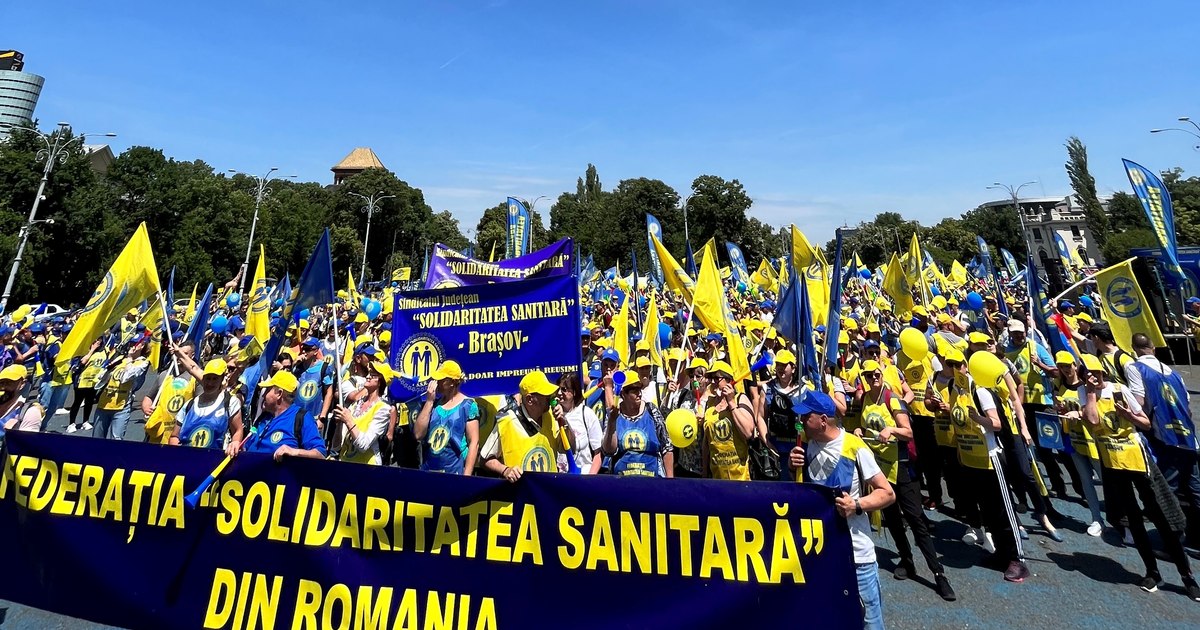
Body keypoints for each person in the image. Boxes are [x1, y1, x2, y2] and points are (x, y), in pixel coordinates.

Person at [1081, 353, 1199, 600]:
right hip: (1114, 464)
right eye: (1088, 374)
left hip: (1138, 461)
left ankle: (1187, 576)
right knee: (1133, 518)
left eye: (1097, 372)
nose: (1094, 377)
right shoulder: (1086, 395)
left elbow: (1145, 423)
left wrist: (1129, 416)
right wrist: (1091, 394)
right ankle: (1152, 571)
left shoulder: (1120, 390)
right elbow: (1092, 421)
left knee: (1160, 514)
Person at [788, 389, 896, 630]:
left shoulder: (855, 448)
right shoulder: (807, 446)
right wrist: (792, 467)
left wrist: (856, 505)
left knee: (870, 623)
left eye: (806, 417)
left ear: (823, 420)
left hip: (857, 557)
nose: (801, 422)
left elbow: (887, 492)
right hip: (821, 553)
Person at [1123, 332, 1200, 536]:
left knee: (1167, 490)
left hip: (1164, 436)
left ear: (1134, 349)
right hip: (1188, 437)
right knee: (1194, 488)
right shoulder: (1174, 373)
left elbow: (1139, 401)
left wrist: (1123, 408)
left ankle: (1174, 539)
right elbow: (1188, 407)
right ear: (1153, 349)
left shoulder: (1134, 367)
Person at [479, 370, 575, 480]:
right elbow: (484, 459)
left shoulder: (552, 416)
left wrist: (564, 422)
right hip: (520, 494)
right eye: (545, 394)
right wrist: (505, 470)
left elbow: (570, 448)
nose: (550, 397)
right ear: (529, 399)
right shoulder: (507, 421)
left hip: (547, 493)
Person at [1053, 352, 1104, 536]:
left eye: (1068, 365)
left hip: (1093, 440)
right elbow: (1059, 408)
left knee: (1105, 480)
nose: (1065, 370)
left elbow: (1093, 413)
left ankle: (1121, 519)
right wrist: (1060, 410)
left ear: (1075, 366)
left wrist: (1079, 414)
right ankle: (1096, 518)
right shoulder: (1058, 385)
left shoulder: (1085, 388)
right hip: (1074, 438)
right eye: (1061, 366)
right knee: (1085, 480)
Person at [235, 370, 327, 461]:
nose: (263, 395)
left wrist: (294, 452)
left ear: (279, 394)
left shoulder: (301, 417)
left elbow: (320, 454)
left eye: (267, 390)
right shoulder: (263, 417)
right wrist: (236, 445)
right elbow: (246, 448)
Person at [603, 369, 673, 477]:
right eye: (634, 391)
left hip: (652, 481)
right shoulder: (615, 414)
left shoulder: (651, 411)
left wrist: (670, 481)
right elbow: (609, 451)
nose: (639, 394)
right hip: (622, 482)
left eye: (639, 389)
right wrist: (612, 422)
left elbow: (667, 447)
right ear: (623, 394)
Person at [413, 360, 479, 474]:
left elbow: (474, 442)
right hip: (430, 470)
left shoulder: (468, 406)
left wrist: (466, 476)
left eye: (441, 380)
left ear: (452, 382)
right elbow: (418, 434)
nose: (436, 382)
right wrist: (429, 402)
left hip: (454, 471)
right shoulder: (434, 404)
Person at [702, 361, 759, 480]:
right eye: (711, 378)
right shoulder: (709, 403)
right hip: (717, 477)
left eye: (717, 378)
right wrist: (704, 472)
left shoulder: (740, 399)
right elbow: (706, 442)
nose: (714, 382)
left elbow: (748, 432)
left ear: (728, 379)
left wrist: (731, 403)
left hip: (740, 477)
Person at [171, 358, 243, 449]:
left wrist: (235, 442)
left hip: (215, 461)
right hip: (186, 460)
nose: (210, 383)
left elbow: (238, 430)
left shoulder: (230, 403)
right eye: (208, 378)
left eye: (215, 379)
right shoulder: (189, 405)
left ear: (222, 379)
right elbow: (174, 436)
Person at [335, 361, 395, 465]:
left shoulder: (383, 409)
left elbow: (363, 445)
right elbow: (336, 446)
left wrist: (348, 420)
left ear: (380, 382)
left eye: (373, 375)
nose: (368, 377)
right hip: (345, 463)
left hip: (367, 467)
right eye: (368, 373)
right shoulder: (355, 404)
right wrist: (340, 423)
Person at [92, 342, 152, 441]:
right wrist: (107, 367)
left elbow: (126, 377)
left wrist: (129, 358)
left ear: (142, 346)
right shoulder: (120, 359)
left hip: (121, 407)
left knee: (116, 439)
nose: (133, 345)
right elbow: (100, 379)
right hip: (104, 403)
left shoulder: (142, 363)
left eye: (137, 343)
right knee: (97, 438)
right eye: (132, 343)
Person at [142, 341, 198, 444]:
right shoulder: (165, 375)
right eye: (177, 353)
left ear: (192, 355)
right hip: (158, 433)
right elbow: (149, 397)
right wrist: (146, 408)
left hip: (180, 434)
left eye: (184, 354)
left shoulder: (195, 379)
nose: (179, 357)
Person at [558, 372, 603, 474]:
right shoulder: (552, 415)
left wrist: (589, 480)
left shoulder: (586, 414)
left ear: (574, 392)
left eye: (564, 389)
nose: (559, 393)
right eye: (558, 389)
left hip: (583, 477)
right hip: (560, 479)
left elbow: (598, 454)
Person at [67, 339, 107, 433]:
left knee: (89, 402)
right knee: (77, 402)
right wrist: (92, 350)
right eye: (96, 341)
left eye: (99, 342)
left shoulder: (103, 352)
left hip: (93, 381)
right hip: (81, 382)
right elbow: (82, 362)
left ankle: (85, 421)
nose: (97, 343)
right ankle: (71, 423)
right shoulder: (82, 352)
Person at [0, 364, 44, 438]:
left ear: (22, 384)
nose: (3, 387)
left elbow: (28, 444)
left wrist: (15, 433)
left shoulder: (30, 411)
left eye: (9, 383)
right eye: (1, 383)